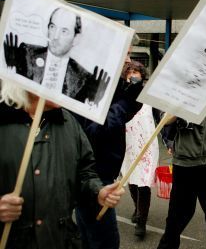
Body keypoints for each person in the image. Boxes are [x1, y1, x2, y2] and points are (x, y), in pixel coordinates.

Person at [0, 79, 124, 249]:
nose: (65, 84)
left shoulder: (68, 122)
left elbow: (85, 172)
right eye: (55, 76)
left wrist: (98, 191)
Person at [74, 53, 143, 249]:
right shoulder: (89, 85)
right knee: (105, 241)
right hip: (93, 176)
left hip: (99, 172)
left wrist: (132, 96)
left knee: (88, 237)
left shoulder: (111, 84)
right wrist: (124, 103)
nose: (129, 60)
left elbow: (122, 115)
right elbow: (97, 129)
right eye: (126, 53)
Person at [3, 7, 109, 105]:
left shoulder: (84, 77)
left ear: (76, 38)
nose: (55, 36)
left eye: (64, 31)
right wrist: (10, 72)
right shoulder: (26, 53)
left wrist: (92, 104)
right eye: (52, 27)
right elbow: (11, 99)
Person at [157, 113, 206, 249]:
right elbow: (165, 120)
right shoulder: (177, 92)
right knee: (177, 218)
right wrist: (179, 108)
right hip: (185, 164)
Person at [119, 61, 159, 239]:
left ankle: (141, 221)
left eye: (136, 72)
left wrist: (170, 140)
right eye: (130, 71)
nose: (133, 74)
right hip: (127, 143)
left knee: (144, 181)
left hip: (147, 144)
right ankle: (137, 207)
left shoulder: (149, 94)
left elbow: (160, 118)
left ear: (142, 75)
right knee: (132, 180)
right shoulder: (120, 94)